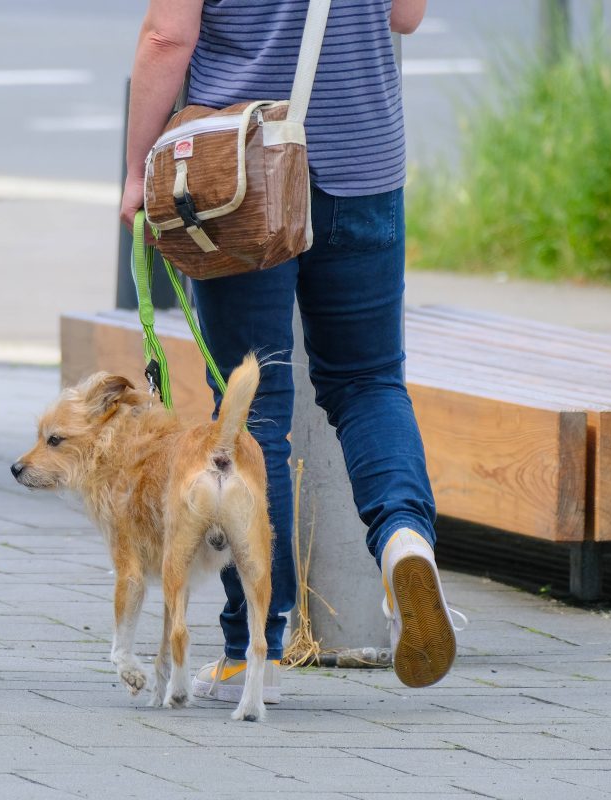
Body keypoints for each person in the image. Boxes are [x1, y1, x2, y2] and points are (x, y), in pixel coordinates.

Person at [120, 0, 463, 704]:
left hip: (240, 171)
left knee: (256, 408)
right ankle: (404, 540)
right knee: (369, 381)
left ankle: (254, 653)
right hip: (364, 167)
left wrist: (135, 170)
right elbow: (405, 16)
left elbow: (167, 37)